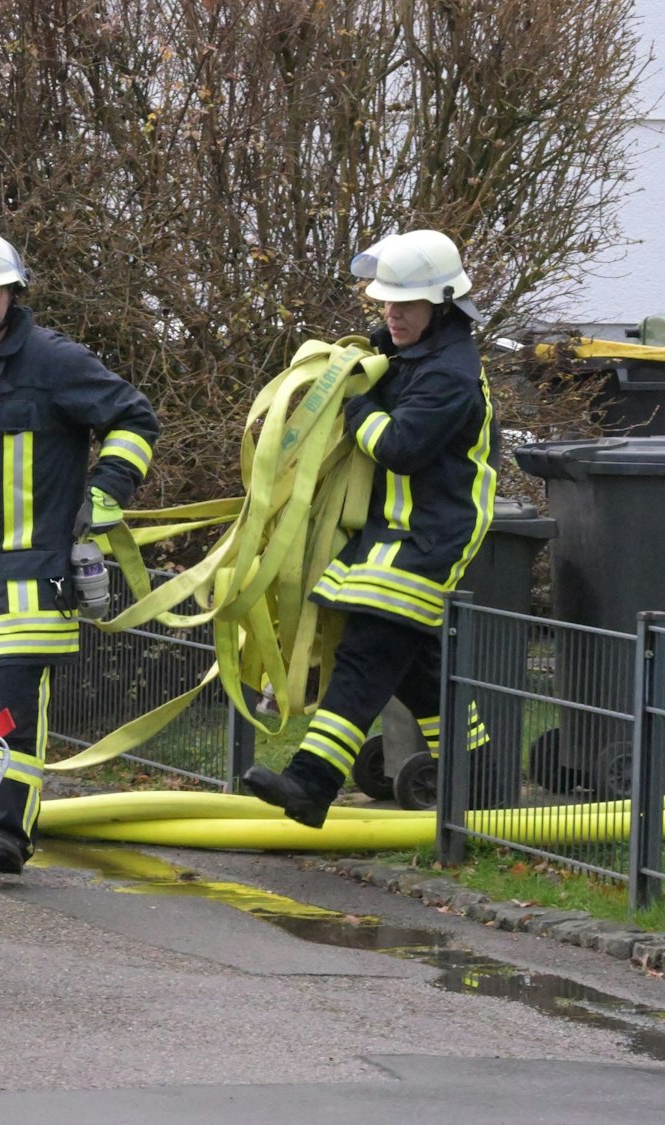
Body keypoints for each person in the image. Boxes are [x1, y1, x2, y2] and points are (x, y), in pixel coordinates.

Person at [0, 231, 160, 873]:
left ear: (14, 291)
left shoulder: (54, 361)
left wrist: (106, 491)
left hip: (31, 576)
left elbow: (134, 418)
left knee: (8, 711)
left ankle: (5, 833)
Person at [239, 229, 497, 826]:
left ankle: (311, 784)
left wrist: (357, 403)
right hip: (394, 533)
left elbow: (401, 446)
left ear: (442, 304)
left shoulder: (450, 376)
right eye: (385, 303)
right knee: (417, 672)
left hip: (428, 540)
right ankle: (483, 787)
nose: (392, 314)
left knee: (367, 654)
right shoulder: (416, 358)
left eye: (404, 305)